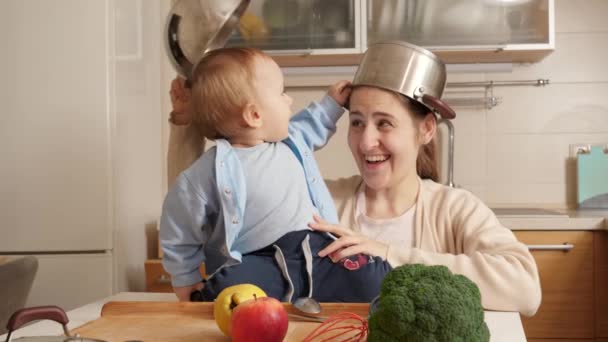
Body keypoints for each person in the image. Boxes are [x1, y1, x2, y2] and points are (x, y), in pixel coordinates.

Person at [165, 54, 541, 317]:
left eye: (385, 123)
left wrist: (388, 253)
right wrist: (186, 125)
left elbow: (525, 288)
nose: (365, 142)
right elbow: (205, 200)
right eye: (357, 122)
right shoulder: (314, 202)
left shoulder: (455, 209)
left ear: (426, 129)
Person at [161, 47, 391, 303]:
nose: (289, 100)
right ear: (254, 115)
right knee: (229, 290)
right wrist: (186, 278)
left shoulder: (291, 140)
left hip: (318, 250)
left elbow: (314, 122)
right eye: (282, 93)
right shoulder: (211, 169)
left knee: (371, 278)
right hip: (260, 259)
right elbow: (179, 226)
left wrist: (332, 103)